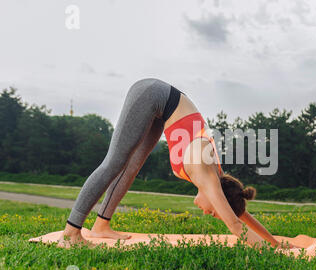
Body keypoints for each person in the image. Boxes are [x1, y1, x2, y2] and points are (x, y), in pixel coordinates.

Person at [58, 78, 294, 250]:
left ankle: (101, 227)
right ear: (216, 196)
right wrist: (258, 246)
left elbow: (238, 213)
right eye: (213, 210)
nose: (208, 212)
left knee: (131, 167)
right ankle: (70, 233)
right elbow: (234, 223)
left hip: (164, 109)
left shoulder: (217, 179)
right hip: (153, 93)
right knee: (115, 162)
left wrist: (277, 243)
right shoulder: (205, 171)